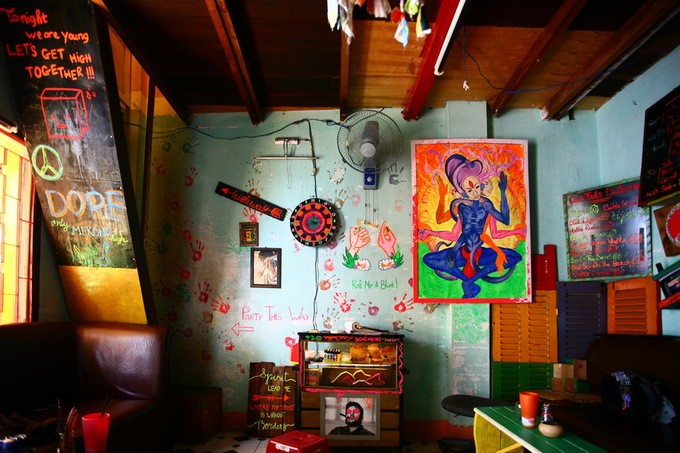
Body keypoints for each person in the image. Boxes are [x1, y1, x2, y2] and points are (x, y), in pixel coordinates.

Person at [418, 154, 523, 298]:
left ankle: (470, 281)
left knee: (515, 257)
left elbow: (504, 220)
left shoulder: (486, 205)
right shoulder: (461, 206)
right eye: (469, 190)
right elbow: (461, 233)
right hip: (463, 252)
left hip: (480, 253)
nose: (475, 192)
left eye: (477, 187)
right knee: (428, 259)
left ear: (480, 184)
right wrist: (453, 249)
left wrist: (503, 192)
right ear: (464, 192)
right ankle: (467, 281)